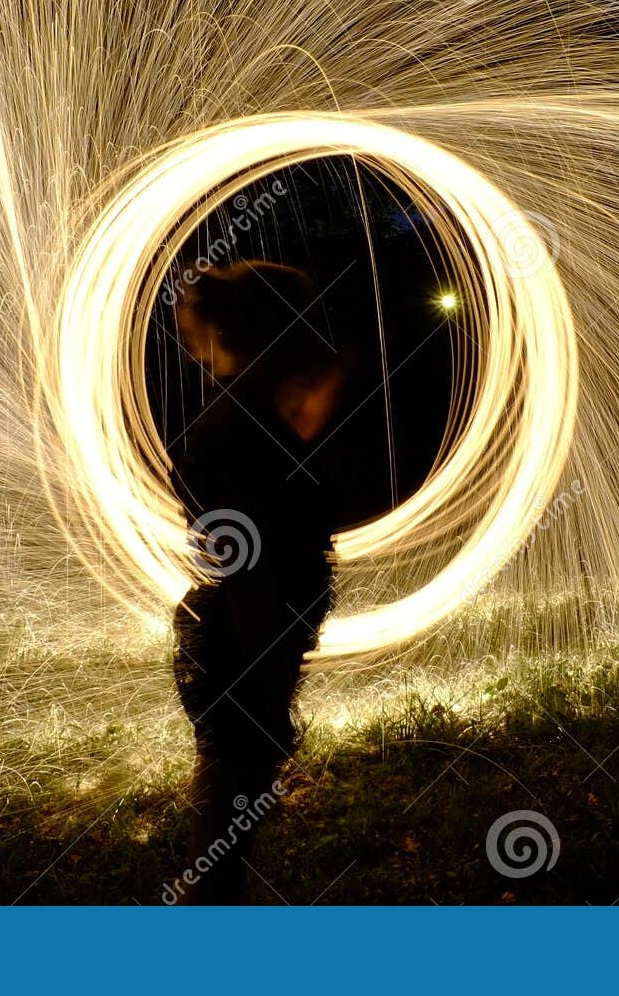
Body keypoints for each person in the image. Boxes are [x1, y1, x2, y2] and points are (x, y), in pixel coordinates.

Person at [165, 259, 345, 904]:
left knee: (234, 805)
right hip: (243, 640)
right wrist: (268, 686)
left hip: (246, 636)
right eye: (303, 323)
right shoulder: (241, 429)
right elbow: (249, 569)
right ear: (277, 332)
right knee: (227, 818)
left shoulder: (250, 413)